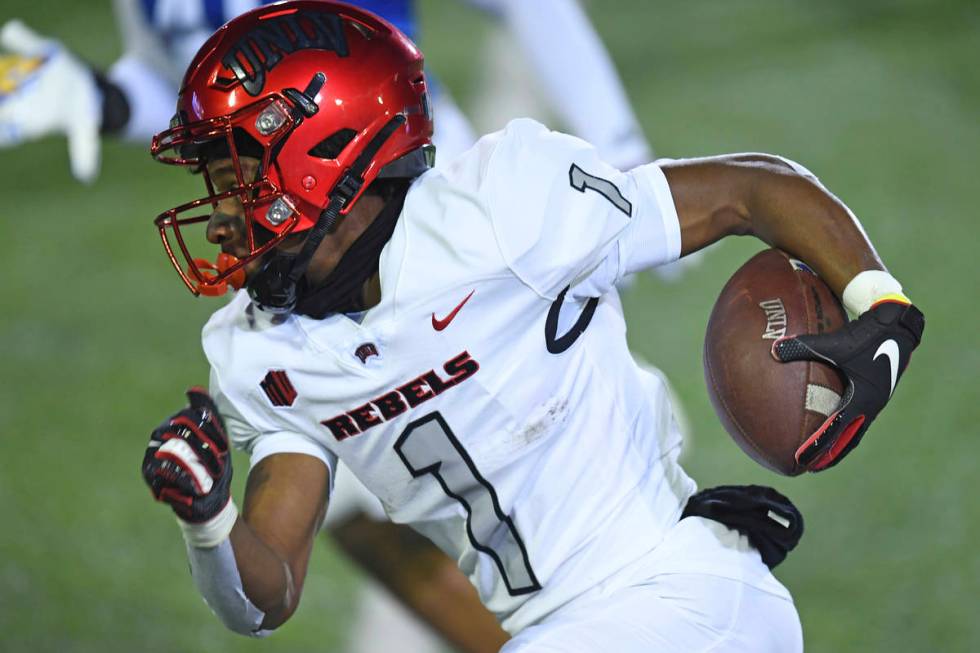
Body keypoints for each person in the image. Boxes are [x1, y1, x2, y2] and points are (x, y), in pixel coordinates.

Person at [142, 0, 915, 649]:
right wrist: (210, 521)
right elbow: (267, 591)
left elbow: (749, 190)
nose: (219, 217)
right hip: (575, 630)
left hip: (681, 587)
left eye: (234, 177)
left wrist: (880, 306)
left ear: (319, 151)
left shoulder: (500, 209)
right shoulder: (262, 354)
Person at [2, 2, 660, 651]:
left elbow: (355, 77)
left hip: (415, 238)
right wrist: (102, 95)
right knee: (360, 504)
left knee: (558, 489)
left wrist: (623, 150)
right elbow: (205, 105)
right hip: (307, 254)